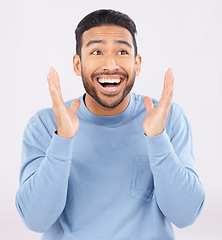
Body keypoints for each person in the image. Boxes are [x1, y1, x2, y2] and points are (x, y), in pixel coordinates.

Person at [15, 9, 205, 240]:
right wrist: (62, 140)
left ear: (137, 63)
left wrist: (157, 139)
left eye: (122, 51)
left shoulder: (168, 119)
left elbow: (185, 216)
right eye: (96, 51)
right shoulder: (45, 125)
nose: (111, 64)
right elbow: (35, 220)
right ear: (78, 64)